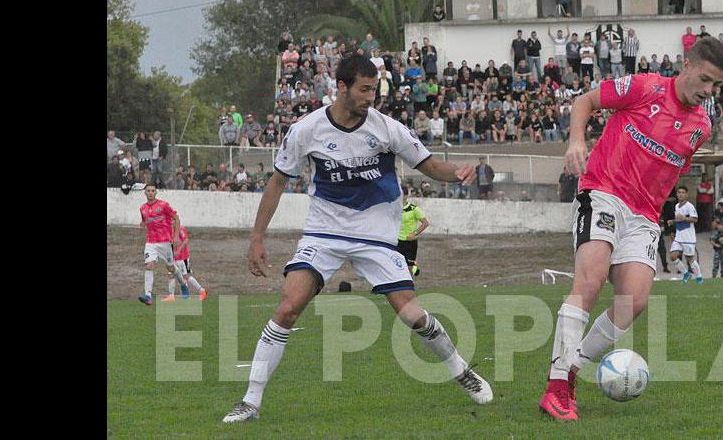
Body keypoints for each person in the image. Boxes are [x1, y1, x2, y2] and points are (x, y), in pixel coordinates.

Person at [223, 55, 492, 424]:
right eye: (364, 89)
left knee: (412, 314)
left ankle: (460, 369)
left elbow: (429, 166)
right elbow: (278, 182)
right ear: (342, 87)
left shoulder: (387, 128)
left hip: (376, 236)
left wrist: (456, 173)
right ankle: (250, 402)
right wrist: (257, 238)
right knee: (288, 307)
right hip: (325, 232)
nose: (371, 97)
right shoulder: (306, 130)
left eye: (375, 89)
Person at [539, 36, 723, 421]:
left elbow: (667, 168)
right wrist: (577, 141)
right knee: (588, 284)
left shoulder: (701, 126)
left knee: (634, 301)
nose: (708, 91)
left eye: (716, 85)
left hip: (644, 215)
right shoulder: (645, 87)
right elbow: (585, 102)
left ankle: (572, 368)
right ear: (686, 65)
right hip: (604, 191)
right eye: (705, 79)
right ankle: (557, 388)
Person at [137, 184, 182, 306]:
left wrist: (176, 236)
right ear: (145, 193)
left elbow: (176, 218)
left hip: (165, 242)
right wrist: (142, 224)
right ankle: (148, 295)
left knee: (171, 268)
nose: (150, 193)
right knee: (149, 265)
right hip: (151, 242)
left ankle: (183, 284)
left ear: (156, 192)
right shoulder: (142, 208)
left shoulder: (164, 205)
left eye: (152, 190)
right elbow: (144, 220)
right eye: (148, 191)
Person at [668, 186, 702, 284]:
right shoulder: (676, 206)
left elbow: (695, 219)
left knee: (689, 258)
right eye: (679, 192)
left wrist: (683, 218)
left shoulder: (689, 206)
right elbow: (679, 220)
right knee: (673, 256)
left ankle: (699, 277)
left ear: (686, 194)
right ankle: (686, 273)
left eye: (683, 192)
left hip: (688, 236)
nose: (681, 194)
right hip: (679, 236)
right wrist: (673, 221)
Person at [167, 225, 208, 301]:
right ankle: (173, 296)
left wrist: (178, 250)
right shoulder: (169, 229)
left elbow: (186, 240)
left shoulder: (180, 229)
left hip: (183, 257)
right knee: (172, 275)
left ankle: (201, 291)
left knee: (185, 276)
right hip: (174, 257)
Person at [398, 192, 429, 277]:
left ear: (406, 196)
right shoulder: (394, 209)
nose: (401, 197)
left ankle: (409, 283)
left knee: (409, 268)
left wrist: (414, 233)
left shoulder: (414, 209)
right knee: (397, 266)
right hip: (397, 241)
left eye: (403, 194)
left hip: (410, 242)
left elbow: (425, 223)